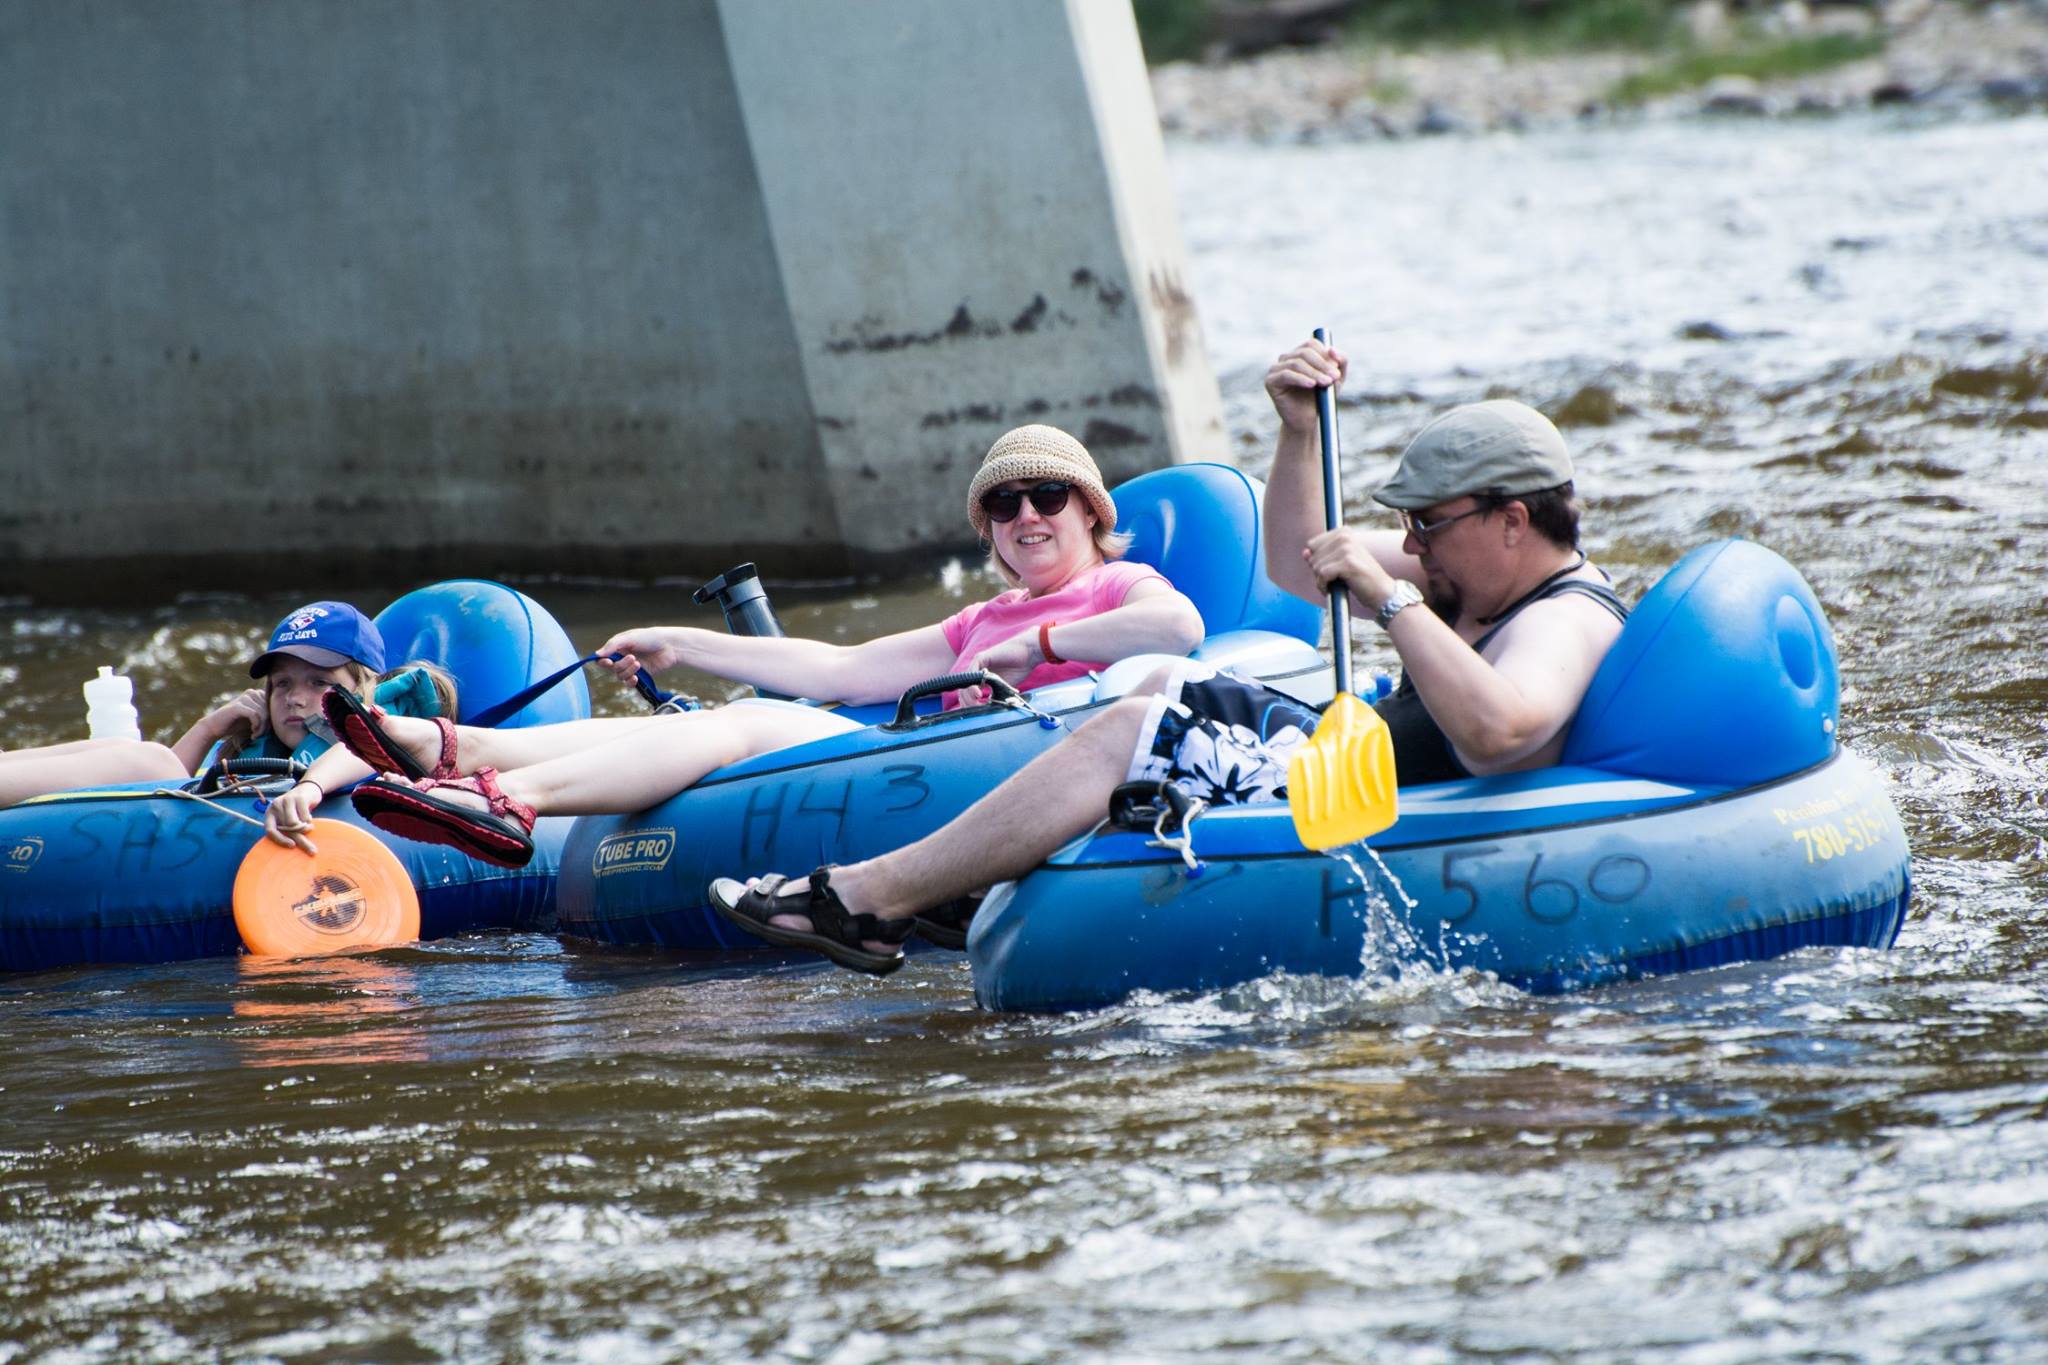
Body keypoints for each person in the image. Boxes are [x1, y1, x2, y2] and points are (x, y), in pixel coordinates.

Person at [708, 334, 1630, 974]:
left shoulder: (1565, 616)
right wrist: (1298, 432)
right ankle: (967, 873)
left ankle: (862, 898)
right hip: (1331, 751)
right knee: (1156, 681)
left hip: (1357, 783)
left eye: (1426, 523)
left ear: (1514, 520)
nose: (1412, 541)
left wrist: (1390, 597)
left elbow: (1505, 730)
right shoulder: (1468, 575)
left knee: (1137, 728)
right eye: (1405, 527)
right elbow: (1298, 558)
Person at [326, 425, 1206, 869]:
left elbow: (1181, 630)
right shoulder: (976, 621)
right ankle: (454, 749)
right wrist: (684, 638)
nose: (1026, 518)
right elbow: (837, 669)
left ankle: (507, 798)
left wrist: (1045, 641)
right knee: (730, 715)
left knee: (747, 728)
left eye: (1047, 497)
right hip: (913, 757)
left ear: (1091, 510)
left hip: (1010, 764)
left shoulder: (1116, 588)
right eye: (1004, 507)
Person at [1, 601, 451, 816]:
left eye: (319, 683)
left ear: (363, 688)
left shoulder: (388, 730)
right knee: (138, 753)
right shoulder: (255, 749)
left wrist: (310, 789)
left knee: (152, 760)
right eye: (281, 685)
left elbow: (361, 750)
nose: (295, 698)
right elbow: (178, 789)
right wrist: (209, 727)